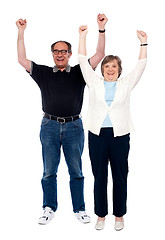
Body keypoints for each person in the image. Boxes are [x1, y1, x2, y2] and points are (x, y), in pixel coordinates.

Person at [16, 14, 108, 225]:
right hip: (48, 126)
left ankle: (80, 209)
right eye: (56, 51)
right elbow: (21, 59)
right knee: (49, 171)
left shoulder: (80, 72)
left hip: (74, 127)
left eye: (63, 51)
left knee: (76, 170)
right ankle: (49, 207)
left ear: (70, 53)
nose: (59, 54)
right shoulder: (44, 73)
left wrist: (100, 28)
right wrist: (21, 32)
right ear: (52, 54)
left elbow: (100, 54)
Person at [78, 25, 147, 230]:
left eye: (113, 67)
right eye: (107, 67)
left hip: (119, 135)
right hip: (97, 135)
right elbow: (82, 61)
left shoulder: (126, 83)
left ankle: (119, 215)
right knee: (99, 175)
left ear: (119, 70)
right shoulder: (94, 82)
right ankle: (101, 214)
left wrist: (143, 43)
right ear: (102, 69)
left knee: (120, 175)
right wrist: (82, 37)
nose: (110, 70)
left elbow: (141, 65)